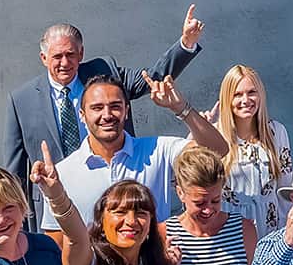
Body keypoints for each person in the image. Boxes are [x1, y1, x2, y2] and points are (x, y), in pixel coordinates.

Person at [2, 10, 204, 205]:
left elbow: (150, 79)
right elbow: (15, 169)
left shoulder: (105, 72)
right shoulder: (21, 100)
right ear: (44, 58)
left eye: (70, 54)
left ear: (81, 54)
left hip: (115, 191)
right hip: (54, 199)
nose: (65, 62)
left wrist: (186, 43)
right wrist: (17, 215)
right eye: (57, 56)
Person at [42, 73, 228, 230]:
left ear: (127, 111)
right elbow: (57, 243)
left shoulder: (158, 151)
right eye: (97, 108)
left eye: (115, 106)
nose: (107, 115)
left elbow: (216, 151)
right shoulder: (63, 174)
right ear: (82, 115)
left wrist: (181, 109)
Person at [214, 64, 293, 236]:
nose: (246, 100)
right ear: (227, 98)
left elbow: (285, 188)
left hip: (271, 232)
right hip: (231, 234)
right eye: (237, 94)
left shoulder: (276, 132)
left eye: (251, 92)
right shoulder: (214, 136)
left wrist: (287, 234)